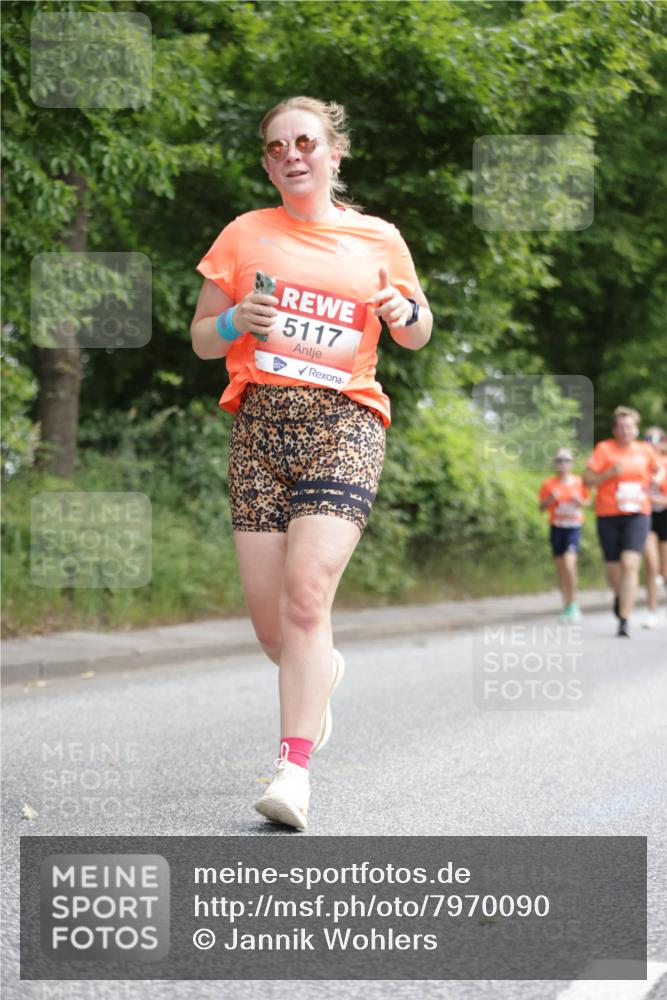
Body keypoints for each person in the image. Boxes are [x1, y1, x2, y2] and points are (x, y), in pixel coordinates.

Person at [190, 97, 432, 830]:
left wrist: (401, 315)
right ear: (267, 163)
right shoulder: (243, 234)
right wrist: (236, 320)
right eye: (275, 147)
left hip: (345, 422)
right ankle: (317, 669)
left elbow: (418, 330)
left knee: (305, 596)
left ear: (333, 152)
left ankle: (292, 770)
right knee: (276, 631)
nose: (291, 154)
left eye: (304, 142)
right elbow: (202, 338)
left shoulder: (376, 238)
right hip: (260, 429)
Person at [583, 406, 664, 637]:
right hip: (608, 514)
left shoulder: (645, 450)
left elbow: (659, 471)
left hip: (638, 514)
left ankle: (624, 620)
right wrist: (608, 474)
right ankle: (620, 597)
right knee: (613, 568)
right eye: (620, 426)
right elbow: (587, 479)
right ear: (614, 429)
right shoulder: (604, 449)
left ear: (636, 429)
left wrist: (654, 480)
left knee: (630, 563)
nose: (625, 430)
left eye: (629, 426)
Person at [538, 447, 590, 622]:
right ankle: (566, 605)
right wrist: (550, 499)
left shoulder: (579, 482)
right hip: (557, 527)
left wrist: (579, 500)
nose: (563, 464)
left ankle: (574, 603)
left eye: (566, 460)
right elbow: (541, 508)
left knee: (569, 564)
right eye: (559, 460)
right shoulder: (549, 484)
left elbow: (587, 502)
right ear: (555, 464)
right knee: (561, 569)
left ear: (572, 464)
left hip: (573, 527)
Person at [641, 426, 667, 628]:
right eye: (646, 437)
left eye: (655, 438)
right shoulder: (639, 464)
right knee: (651, 565)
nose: (650, 441)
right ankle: (651, 612)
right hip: (646, 516)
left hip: (664, 516)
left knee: (665, 569)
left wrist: (658, 498)